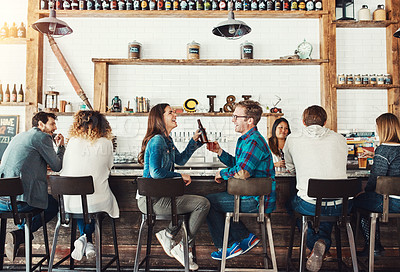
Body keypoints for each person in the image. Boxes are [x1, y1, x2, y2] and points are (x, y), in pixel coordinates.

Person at [137, 103, 210, 270]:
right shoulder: (157, 140)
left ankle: (169, 234)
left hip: (161, 197)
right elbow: (156, 172)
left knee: (196, 205)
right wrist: (179, 175)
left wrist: (194, 142)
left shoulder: (166, 140)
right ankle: (181, 246)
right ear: (160, 118)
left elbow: (181, 160)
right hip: (151, 201)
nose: (175, 115)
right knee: (202, 204)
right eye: (170, 113)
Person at [206, 100, 276, 260]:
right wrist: (220, 152)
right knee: (217, 200)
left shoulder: (253, 141)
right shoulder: (246, 139)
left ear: (249, 120)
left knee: (207, 203)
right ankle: (246, 237)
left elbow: (243, 172)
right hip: (250, 197)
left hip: (256, 200)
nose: (233, 120)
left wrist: (222, 173)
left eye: (236, 116)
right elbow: (240, 165)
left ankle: (229, 246)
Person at [283, 105, 348, 272]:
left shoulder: (292, 138)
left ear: (304, 122)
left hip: (310, 203)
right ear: (325, 122)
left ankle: (314, 243)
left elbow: (290, 167)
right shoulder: (340, 138)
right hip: (340, 205)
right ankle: (322, 244)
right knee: (326, 211)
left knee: (292, 204)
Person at [0, 112, 64, 261]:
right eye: (52, 124)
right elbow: (57, 166)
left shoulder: (20, 136)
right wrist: (61, 147)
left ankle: (19, 237)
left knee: (38, 202)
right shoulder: (42, 137)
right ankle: (20, 235)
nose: (55, 127)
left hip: (2, 201)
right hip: (18, 204)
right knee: (52, 205)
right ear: (40, 124)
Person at [60, 110, 119, 260]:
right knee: (92, 205)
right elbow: (109, 166)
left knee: (81, 204)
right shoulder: (106, 143)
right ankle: (86, 239)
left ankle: (85, 240)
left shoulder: (72, 142)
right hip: (97, 201)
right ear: (103, 126)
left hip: (69, 203)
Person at [354, 113, 400, 257]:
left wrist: (365, 192)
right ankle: (375, 245)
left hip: (389, 203)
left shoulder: (383, 150)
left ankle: (373, 245)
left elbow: (375, 181)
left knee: (356, 202)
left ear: (383, 129)